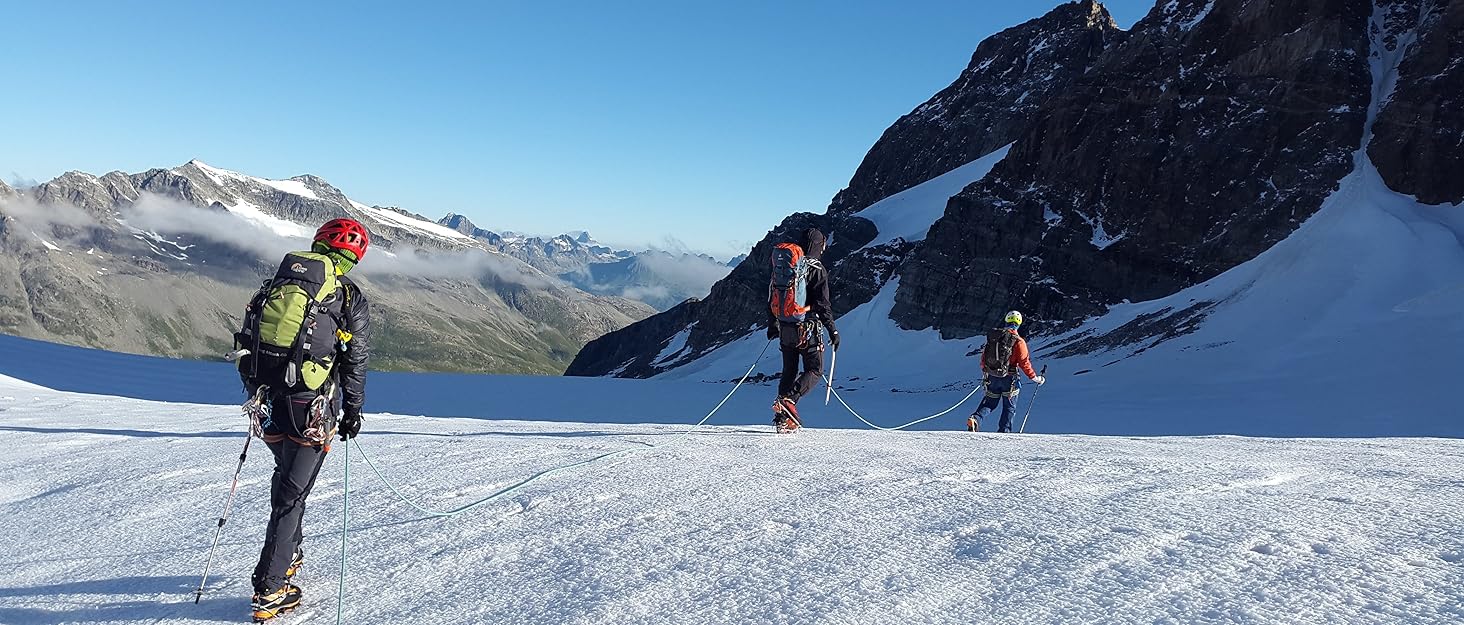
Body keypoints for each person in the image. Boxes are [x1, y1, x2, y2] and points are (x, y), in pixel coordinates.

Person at [242, 218, 372, 622]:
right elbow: (355, 360)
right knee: (291, 496)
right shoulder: (347, 296)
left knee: (286, 478)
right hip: (309, 408)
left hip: (267, 402)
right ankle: (270, 588)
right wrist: (353, 410)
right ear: (354, 256)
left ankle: (290, 552)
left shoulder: (277, 284)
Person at [766, 227, 838, 433]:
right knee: (815, 369)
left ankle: (782, 419)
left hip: (786, 326)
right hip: (807, 330)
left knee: (789, 370)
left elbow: (772, 296)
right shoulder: (816, 268)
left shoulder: (786, 267)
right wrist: (832, 330)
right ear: (818, 245)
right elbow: (823, 305)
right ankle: (790, 401)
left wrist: (773, 324)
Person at [967, 310, 1044, 433]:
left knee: (990, 402)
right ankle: (1004, 432)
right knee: (1009, 407)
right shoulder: (1018, 341)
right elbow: (1024, 363)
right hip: (1010, 379)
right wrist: (1035, 378)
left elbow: (983, 358)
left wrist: (986, 372)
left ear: (1006, 320)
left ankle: (975, 419)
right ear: (1019, 323)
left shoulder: (995, 337)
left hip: (992, 376)